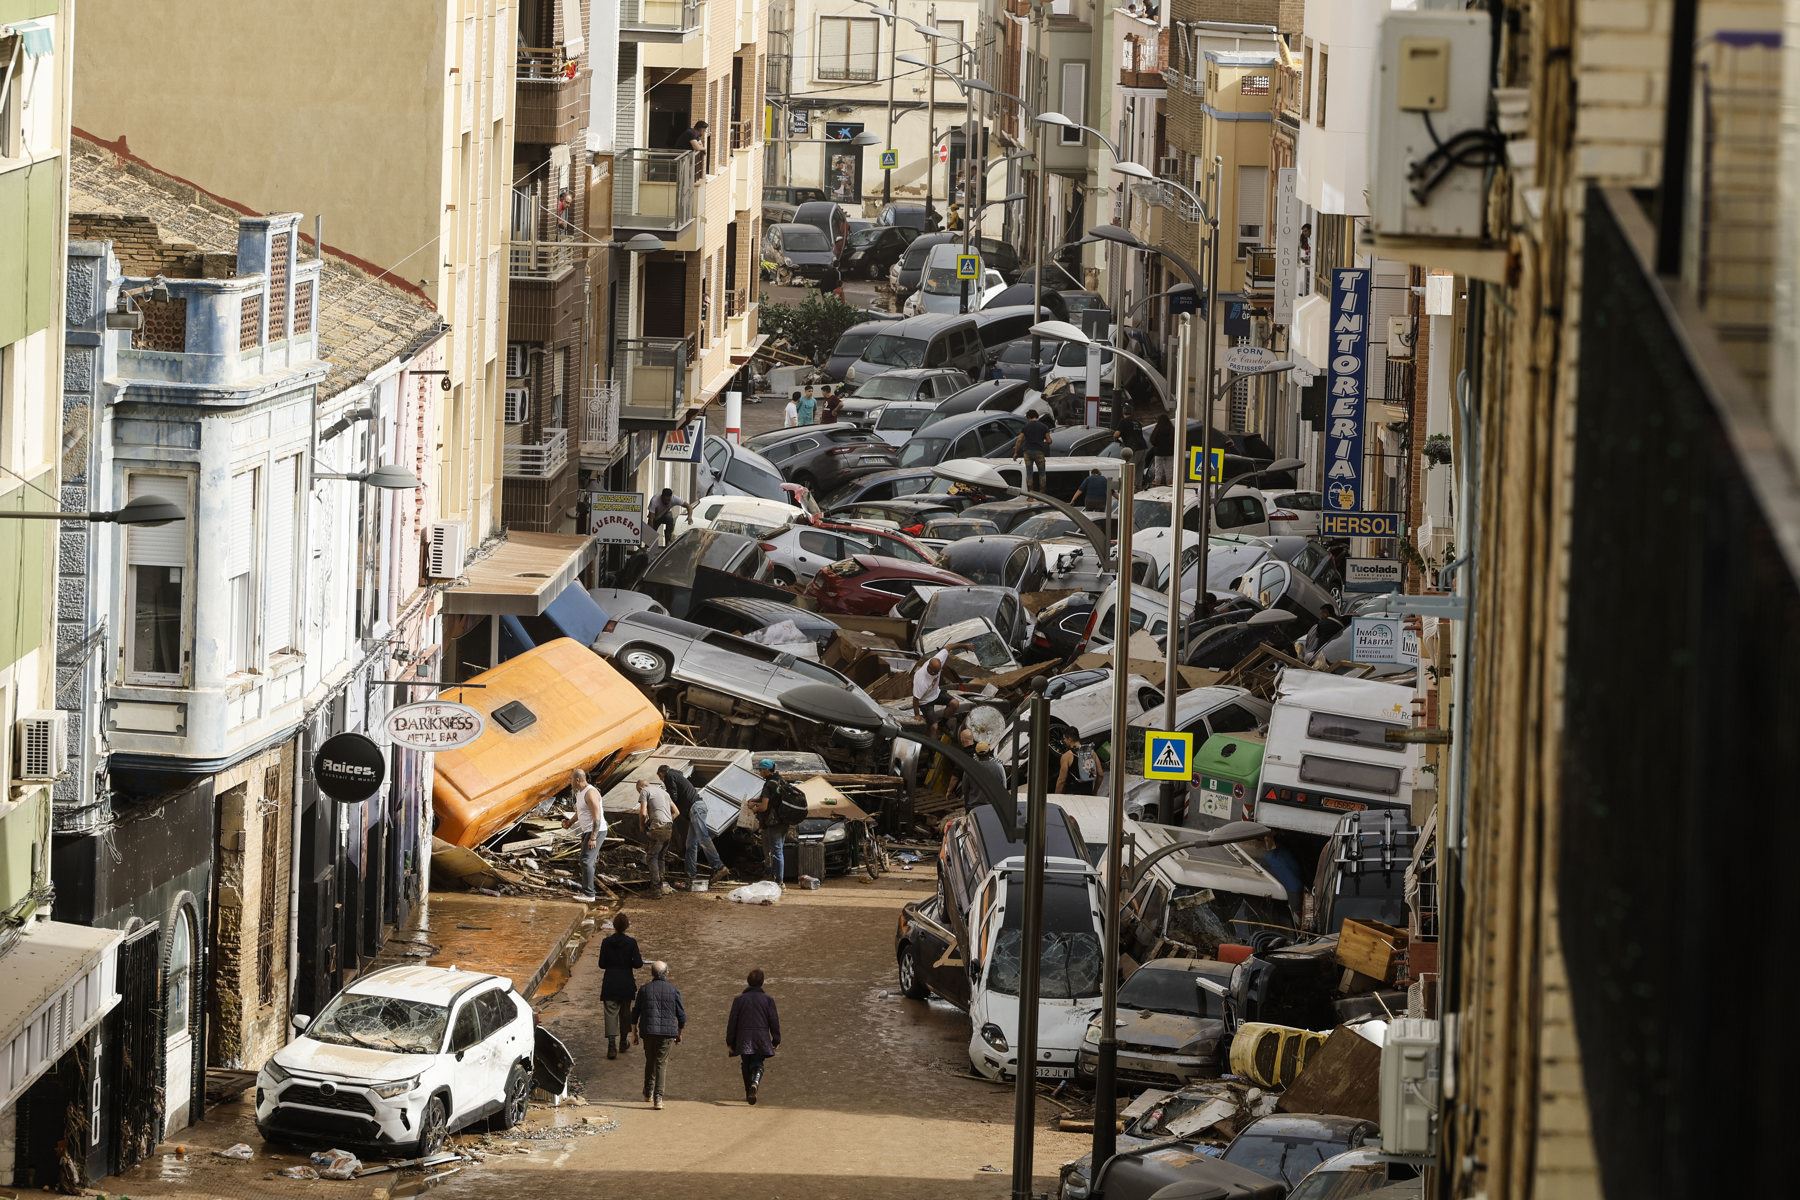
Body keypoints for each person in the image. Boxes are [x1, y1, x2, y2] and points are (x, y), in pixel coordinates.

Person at [660, 764, 729, 889]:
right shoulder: (677, 775)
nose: (661, 780)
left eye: (660, 777)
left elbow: (673, 796)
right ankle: (691, 875)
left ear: (661, 773)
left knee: (703, 838)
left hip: (696, 808)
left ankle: (719, 867)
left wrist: (664, 799)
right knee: (690, 845)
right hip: (696, 809)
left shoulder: (669, 775)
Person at [632, 960, 686, 1109]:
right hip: (667, 1033)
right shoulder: (673, 990)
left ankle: (647, 1092)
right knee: (661, 1063)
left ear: (652, 974)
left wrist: (634, 1033)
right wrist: (679, 1033)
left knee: (650, 1061)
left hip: (648, 1032)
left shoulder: (644, 990)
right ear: (666, 973)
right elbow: (681, 1016)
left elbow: (635, 1013)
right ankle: (658, 1097)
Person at [725, 968, 782, 1105]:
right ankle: (755, 1082)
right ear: (762, 982)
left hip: (743, 1038)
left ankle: (748, 1090)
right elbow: (773, 1020)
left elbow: (732, 1021)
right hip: (761, 1037)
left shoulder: (739, 1000)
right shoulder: (768, 1000)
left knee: (746, 1063)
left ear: (748, 982)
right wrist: (776, 1039)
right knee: (758, 1063)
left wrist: (730, 1041)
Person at [598, 912, 644, 1059]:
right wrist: (627, 962)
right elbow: (638, 964)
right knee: (625, 1013)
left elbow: (602, 964)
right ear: (626, 926)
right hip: (626, 982)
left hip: (610, 982)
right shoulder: (631, 942)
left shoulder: (606, 942)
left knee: (610, 1014)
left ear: (614, 926)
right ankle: (623, 1042)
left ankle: (612, 1046)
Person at [748, 759, 795, 886]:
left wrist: (753, 808)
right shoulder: (780, 781)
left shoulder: (768, 784)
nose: (759, 772)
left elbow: (763, 807)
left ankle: (779, 882)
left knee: (775, 852)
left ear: (766, 770)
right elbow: (773, 799)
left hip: (773, 823)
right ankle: (771, 876)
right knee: (776, 850)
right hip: (784, 821)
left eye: (760, 770)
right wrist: (756, 799)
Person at [562, 768, 605, 902]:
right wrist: (569, 822)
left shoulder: (590, 793)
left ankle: (589, 894)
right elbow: (580, 812)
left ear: (578, 780)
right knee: (587, 861)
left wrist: (593, 837)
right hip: (587, 830)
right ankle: (589, 891)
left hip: (597, 831)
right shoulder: (580, 793)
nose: (570, 782)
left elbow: (597, 817)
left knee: (586, 860)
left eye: (571, 780)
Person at [636, 778, 677, 895]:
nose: (639, 794)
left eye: (638, 792)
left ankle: (656, 888)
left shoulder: (645, 791)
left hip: (657, 829)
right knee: (661, 857)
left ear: (640, 787)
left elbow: (643, 813)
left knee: (651, 857)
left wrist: (642, 826)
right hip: (668, 828)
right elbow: (676, 812)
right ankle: (662, 885)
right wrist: (666, 822)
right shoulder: (664, 793)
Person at [911, 646, 961, 734]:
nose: (937, 674)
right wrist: (917, 715)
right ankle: (933, 744)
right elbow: (915, 699)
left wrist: (964, 646)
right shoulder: (921, 680)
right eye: (935, 672)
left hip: (936, 693)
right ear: (929, 669)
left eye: (938, 671)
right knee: (934, 727)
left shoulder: (938, 660)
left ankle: (943, 724)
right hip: (925, 702)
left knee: (955, 703)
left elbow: (948, 647)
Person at [1012, 410, 1054, 493]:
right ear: (1037, 416)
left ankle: (1030, 495)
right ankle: (1042, 494)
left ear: (1028, 417)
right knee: (1042, 474)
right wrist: (1043, 441)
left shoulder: (1026, 427)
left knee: (1029, 473)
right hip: (1039, 452)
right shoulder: (1044, 427)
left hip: (1027, 452)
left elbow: (1019, 439)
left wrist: (1016, 452)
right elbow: (1049, 441)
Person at [1052, 728, 1097, 795]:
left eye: (1064, 738)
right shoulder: (1091, 752)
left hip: (1072, 797)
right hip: (1088, 795)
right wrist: (1094, 792)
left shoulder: (1067, 756)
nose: (1063, 741)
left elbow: (1061, 780)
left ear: (1069, 739)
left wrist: (1056, 797)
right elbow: (1100, 774)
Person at [1149, 414, 1176, 485]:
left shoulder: (1157, 428)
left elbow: (1152, 439)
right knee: (1169, 470)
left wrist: (1157, 445)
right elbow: (1175, 440)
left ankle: (1157, 484)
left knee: (1158, 470)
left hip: (1159, 452)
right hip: (1169, 453)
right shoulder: (1171, 429)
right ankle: (1169, 484)